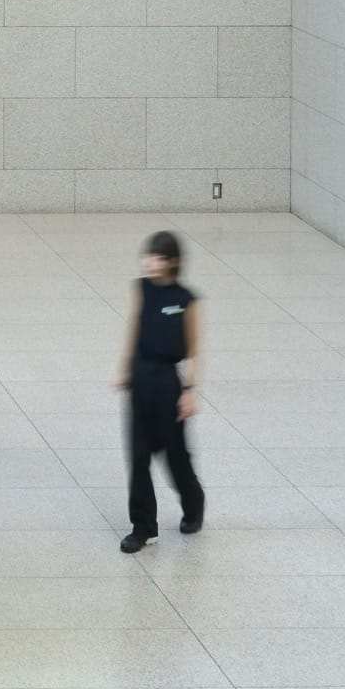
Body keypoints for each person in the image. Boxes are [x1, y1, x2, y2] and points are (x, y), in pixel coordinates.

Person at [113, 230, 204, 553]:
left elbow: (193, 349)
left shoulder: (186, 300)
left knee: (175, 456)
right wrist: (125, 368)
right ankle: (143, 528)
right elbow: (134, 328)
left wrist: (190, 390)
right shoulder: (141, 289)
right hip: (141, 379)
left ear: (173, 262)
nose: (149, 263)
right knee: (138, 456)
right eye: (147, 257)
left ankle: (194, 504)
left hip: (168, 383)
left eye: (157, 258)